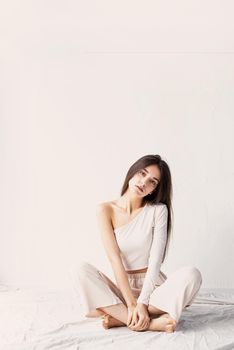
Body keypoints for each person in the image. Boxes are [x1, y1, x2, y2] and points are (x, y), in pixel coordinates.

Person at [70, 154, 202, 333]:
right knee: (80, 270)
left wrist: (142, 302)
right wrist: (132, 304)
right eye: (142, 173)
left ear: (154, 190)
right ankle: (150, 322)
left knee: (192, 274)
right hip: (121, 286)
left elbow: (155, 260)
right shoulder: (105, 210)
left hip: (152, 287)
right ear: (132, 171)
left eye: (152, 182)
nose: (144, 182)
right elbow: (114, 259)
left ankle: (121, 317)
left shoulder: (158, 211)